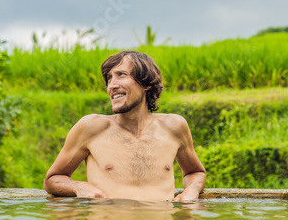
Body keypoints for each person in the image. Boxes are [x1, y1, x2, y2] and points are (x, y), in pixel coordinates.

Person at [43, 51, 206, 201]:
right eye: (109, 78)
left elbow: (195, 172)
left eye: (121, 75)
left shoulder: (174, 127)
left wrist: (192, 190)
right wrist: (78, 186)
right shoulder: (91, 127)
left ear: (146, 83)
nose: (112, 85)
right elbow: (53, 179)